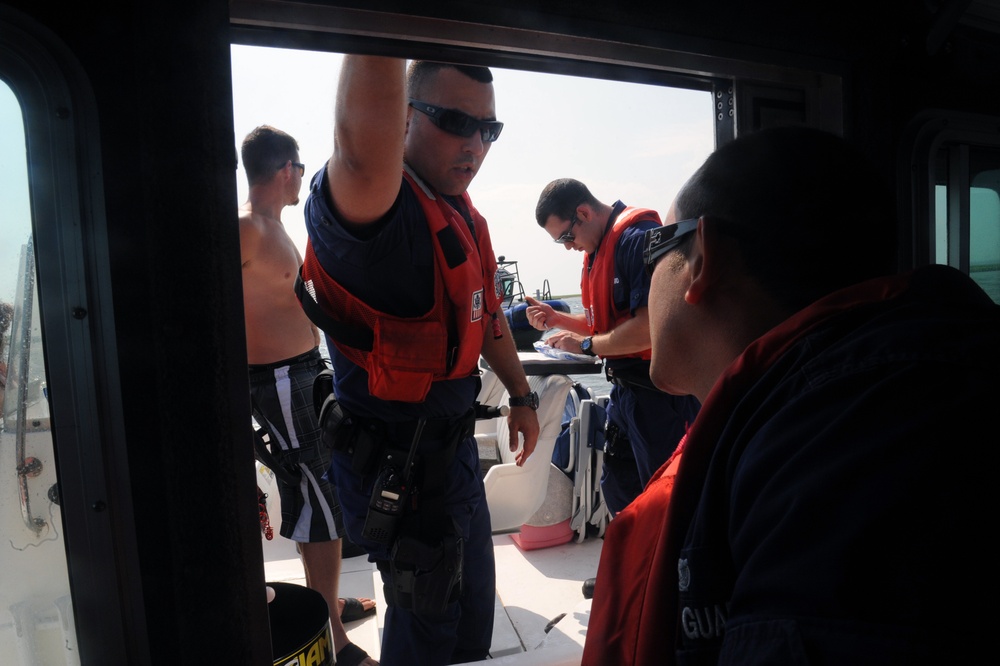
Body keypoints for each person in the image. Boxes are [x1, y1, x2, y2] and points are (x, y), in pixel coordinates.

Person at [582, 125, 999, 665]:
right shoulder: (843, 411)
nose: (647, 269)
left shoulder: (845, 457)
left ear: (704, 259)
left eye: (658, 246)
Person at [295, 57, 541, 666]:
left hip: (452, 459)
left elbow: (484, 316)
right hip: (397, 471)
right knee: (426, 621)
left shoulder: (460, 212)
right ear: (402, 119)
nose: (476, 142)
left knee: (465, 625)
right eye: (456, 121)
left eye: (490, 128)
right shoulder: (382, 216)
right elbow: (358, 152)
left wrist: (522, 395)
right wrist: (386, 29)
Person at [238, 125, 376, 666]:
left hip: (301, 376)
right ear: (285, 169)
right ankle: (335, 641)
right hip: (278, 381)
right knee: (324, 502)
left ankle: (326, 606)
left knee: (312, 497)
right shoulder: (248, 228)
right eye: (299, 167)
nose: (302, 175)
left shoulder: (273, 228)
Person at [528, 179, 700, 516]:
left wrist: (588, 345)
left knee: (666, 498)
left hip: (660, 397)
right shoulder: (599, 249)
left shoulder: (636, 240)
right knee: (620, 488)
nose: (567, 248)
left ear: (583, 212)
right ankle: (638, 564)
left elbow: (649, 329)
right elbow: (605, 326)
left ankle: (668, 565)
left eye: (566, 237)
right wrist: (557, 319)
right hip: (626, 396)